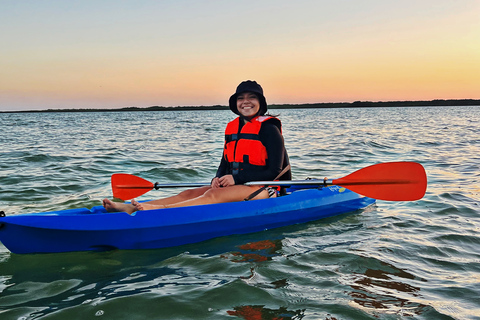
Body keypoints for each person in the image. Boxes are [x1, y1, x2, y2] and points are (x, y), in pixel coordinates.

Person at [103, 80, 291, 214]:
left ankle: (153, 211)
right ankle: (130, 207)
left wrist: (237, 179)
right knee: (189, 193)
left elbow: (275, 171)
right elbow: (225, 163)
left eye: (252, 97)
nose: (246, 101)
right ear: (235, 104)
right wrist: (218, 178)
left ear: (261, 102)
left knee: (212, 196)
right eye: (241, 98)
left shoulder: (269, 129)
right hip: (241, 185)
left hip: (267, 189)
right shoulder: (233, 128)